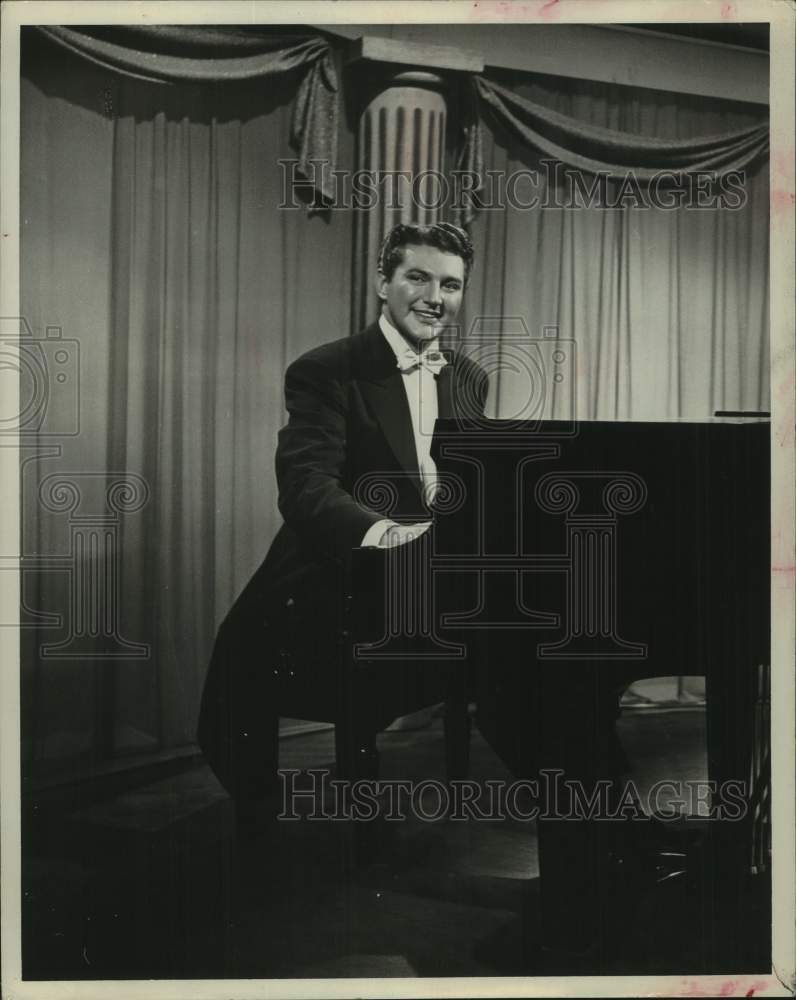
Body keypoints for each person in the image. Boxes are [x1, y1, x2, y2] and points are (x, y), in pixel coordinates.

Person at [197, 221, 488, 814]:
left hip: (431, 582)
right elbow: (307, 487)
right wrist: (387, 534)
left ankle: (600, 827)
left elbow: (468, 487)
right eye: (418, 278)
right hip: (337, 572)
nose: (436, 298)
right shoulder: (327, 368)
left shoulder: (468, 378)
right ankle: (258, 818)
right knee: (242, 661)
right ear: (383, 282)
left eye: (451, 285)